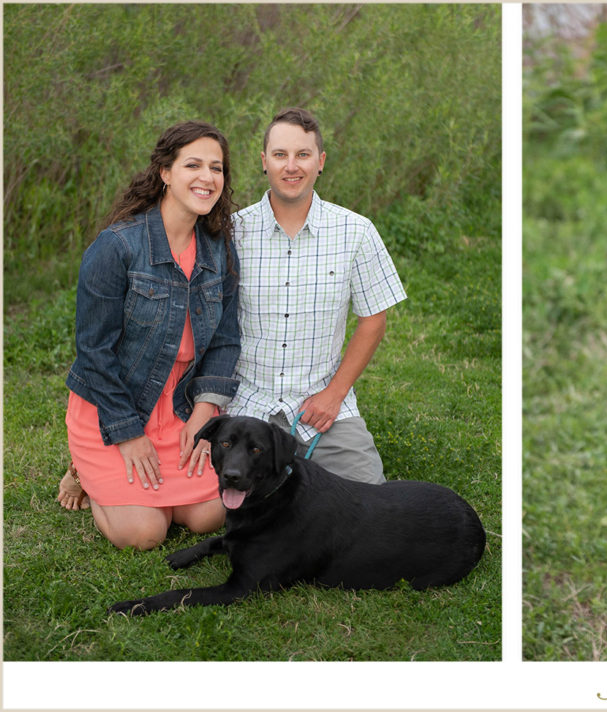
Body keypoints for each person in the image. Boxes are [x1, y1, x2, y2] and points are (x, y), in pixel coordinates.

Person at [59, 121, 241, 549]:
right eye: (193, 165)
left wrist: (204, 411)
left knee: (208, 515)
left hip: (179, 405)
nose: (207, 177)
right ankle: (82, 470)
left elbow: (225, 340)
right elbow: (93, 352)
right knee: (143, 534)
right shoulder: (117, 246)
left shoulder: (218, 248)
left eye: (216, 168)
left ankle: (148, 490)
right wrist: (127, 433)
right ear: (164, 172)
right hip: (115, 405)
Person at [228, 107, 406, 483]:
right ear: (264, 162)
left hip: (322, 407)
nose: (291, 166)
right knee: (212, 508)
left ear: (320, 161)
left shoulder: (356, 231)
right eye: (280, 155)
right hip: (245, 403)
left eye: (303, 155)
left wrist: (335, 394)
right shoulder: (232, 232)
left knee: (368, 499)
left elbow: (373, 319)